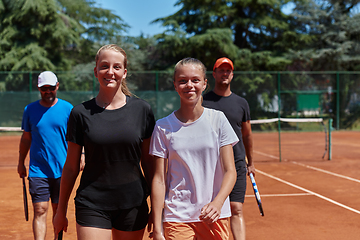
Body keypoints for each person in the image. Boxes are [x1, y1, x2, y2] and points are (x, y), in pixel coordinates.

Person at [53, 44, 155, 240]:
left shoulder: (142, 110)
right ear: (95, 71)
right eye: (104, 66)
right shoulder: (80, 113)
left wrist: (158, 209)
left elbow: (150, 164)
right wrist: (60, 211)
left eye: (117, 67)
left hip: (133, 204)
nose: (110, 72)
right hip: (92, 203)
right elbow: (71, 167)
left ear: (124, 73)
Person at [150, 57, 238, 240]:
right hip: (177, 216)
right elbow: (159, 179)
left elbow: (230, 171)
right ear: (175, 85)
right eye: (182, 81)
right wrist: (158, 229)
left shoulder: (219, 120)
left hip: (215, 215)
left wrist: (218, 202)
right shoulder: (162, 127)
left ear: (205, 83)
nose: (189, 85)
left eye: (195, 80)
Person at [202, 57, 255, 240]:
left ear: (232, 74)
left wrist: (251, 162)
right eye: (221, 70)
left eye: (228, 70)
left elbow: (247, 135)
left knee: (236, 208)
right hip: (212, 165)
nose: (225, 74)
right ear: (214, 74)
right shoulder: (203, 101)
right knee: (210, 208)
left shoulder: (241, 103)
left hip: (238, 162)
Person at [17, 71, 73, 240]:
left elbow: (76, 138)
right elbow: (26, 138)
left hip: (63, 170)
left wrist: (82, 154)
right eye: (43, 88)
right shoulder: (30, 110)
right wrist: (21, 162)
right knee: (40, 209)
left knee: (58, 210)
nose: (47, 91)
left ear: (57, 86)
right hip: (38, 169)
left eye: (50, 87)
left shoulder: (68, 109)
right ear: (38, 88)